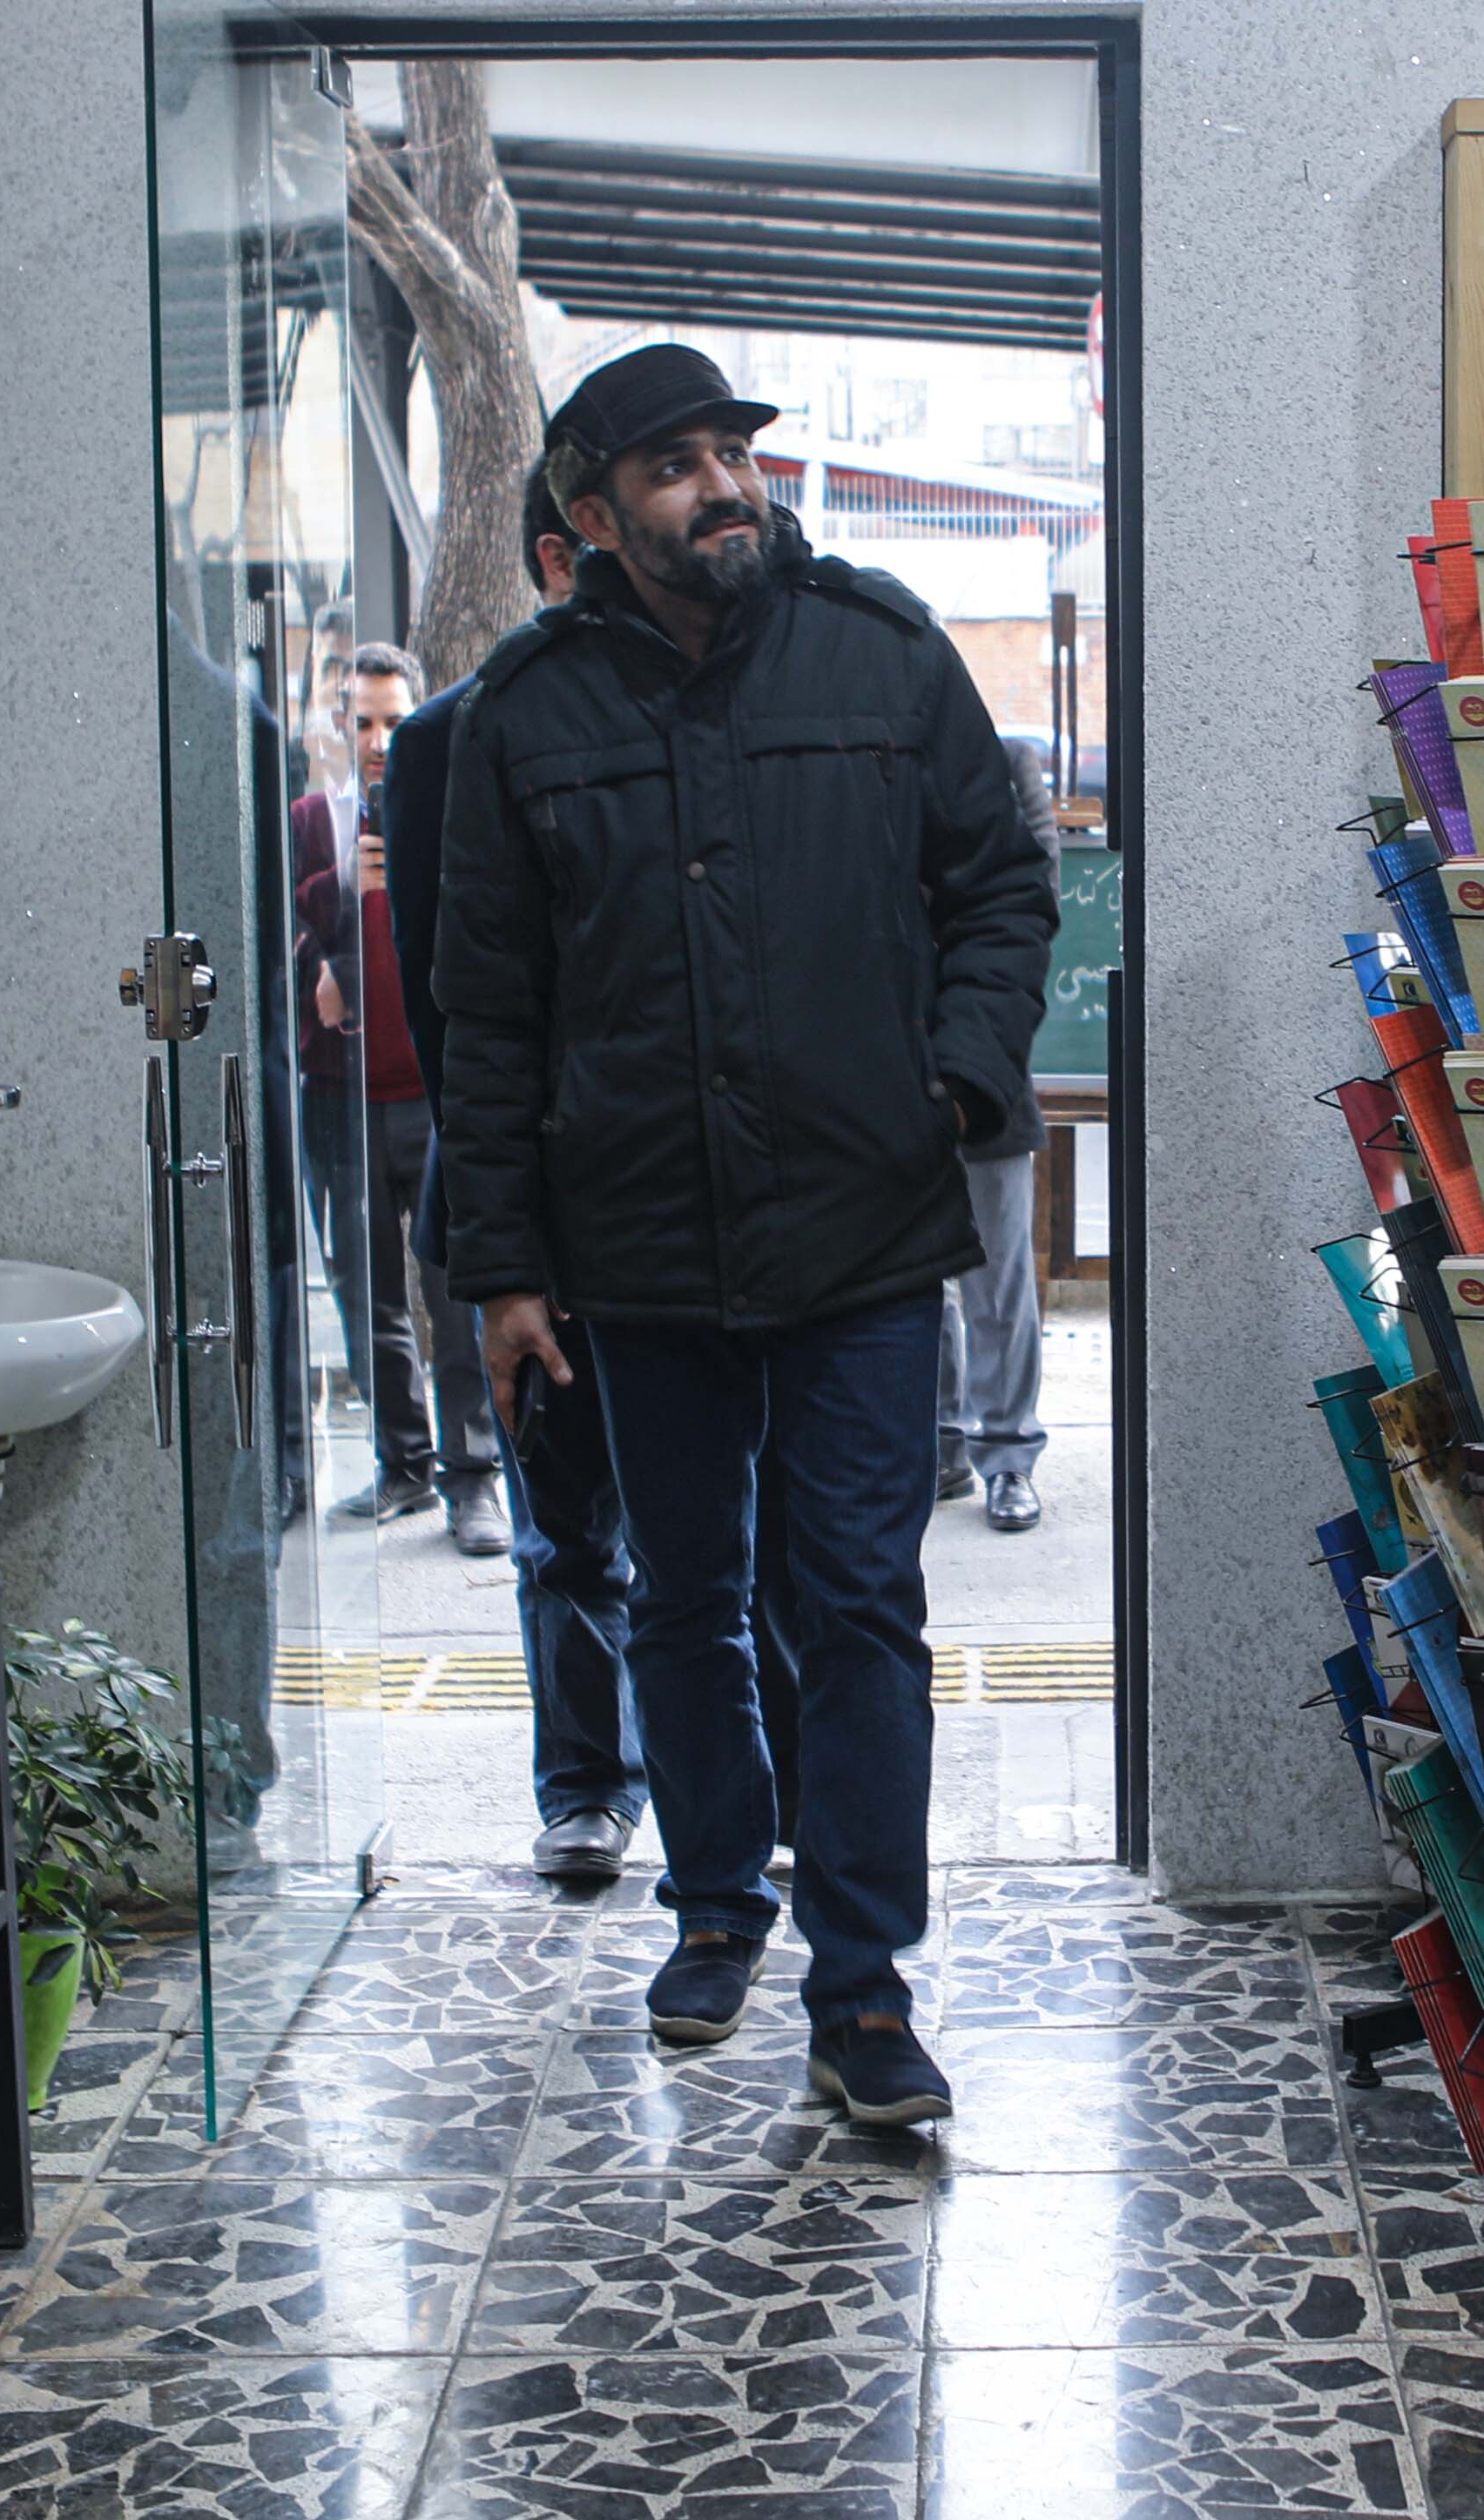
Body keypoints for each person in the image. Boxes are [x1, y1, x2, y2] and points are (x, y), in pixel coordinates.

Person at [438, 345, 1056, 2119]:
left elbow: (999, 888)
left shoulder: (881, 652)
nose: (721, 486)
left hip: (863, 1223)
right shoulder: (522, 713)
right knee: (684, 1594)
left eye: (732, 453)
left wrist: (952, 1082)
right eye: (673, 466)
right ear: (590, 512)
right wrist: (503, 1267)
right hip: (634, 1238)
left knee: (855, 1600)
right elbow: (486, 1009)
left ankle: (862, 1989)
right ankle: (716, 1904)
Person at [386, 489, 652, 1880]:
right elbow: (452, 1015)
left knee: (719, 1532)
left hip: (686, 1198)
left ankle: (738, 1792)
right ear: (560, 556)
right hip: (524, 1194)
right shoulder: (446, 739)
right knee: (566, 1524)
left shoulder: (702, 719)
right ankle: (588, 1782)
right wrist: (502, 1238)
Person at [293, 643, 498, 1542]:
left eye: (394, 720)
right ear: (339, 725)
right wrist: (340, 891)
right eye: (363, 721)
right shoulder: (309, 823)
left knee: (456, 1298)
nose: (379, 740)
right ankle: (402, 1465)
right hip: (339, 1095)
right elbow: (277, 932)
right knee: (364, 1297)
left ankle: (473, 1476)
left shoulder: (452, 808)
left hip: (433, 1091)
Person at [941, 731, 1057, 1532]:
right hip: (885, 1060)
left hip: (986, 1062)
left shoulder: (1006, 760)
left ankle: (1009, 1455)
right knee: (908, 1280)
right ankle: (941, 1443)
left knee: (998, 1277)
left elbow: (1035, 898)